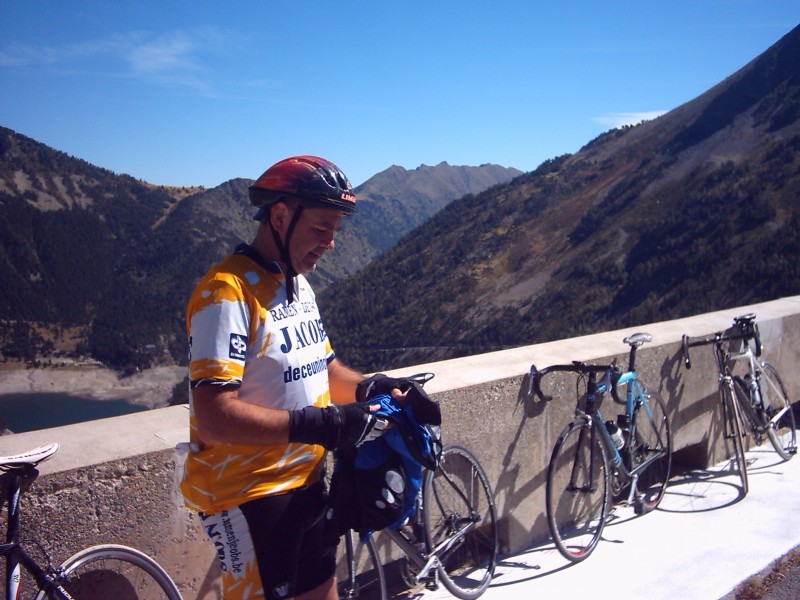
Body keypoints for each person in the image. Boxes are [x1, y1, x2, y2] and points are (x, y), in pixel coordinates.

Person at [181, 155, 402, 600]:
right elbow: (214, 416)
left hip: (307, 480)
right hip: (250, 494)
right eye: (322, 229)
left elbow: (325, 368)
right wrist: (325, 424)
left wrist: (368, 388)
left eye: (336, 232)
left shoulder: (298, 286)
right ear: (280, 216)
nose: (331, 244)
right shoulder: (226, 291)